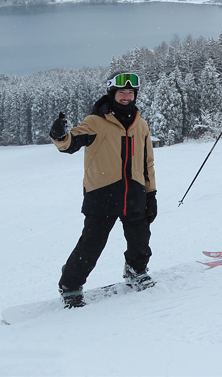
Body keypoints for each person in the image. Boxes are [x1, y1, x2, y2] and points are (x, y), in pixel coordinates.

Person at [49, 71, 157, 308]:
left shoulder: (141, 124)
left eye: (130, 93)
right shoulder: (96, 122)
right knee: (92, 244)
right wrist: (59, 136)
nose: (127, 97)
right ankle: (70, 285)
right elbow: (71, 143)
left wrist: (151, 193)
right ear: (112, 93)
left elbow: (147, 162)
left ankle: (136, 272)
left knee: (140, 241)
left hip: (135, 192)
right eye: (122, 93)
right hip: (102, 193)